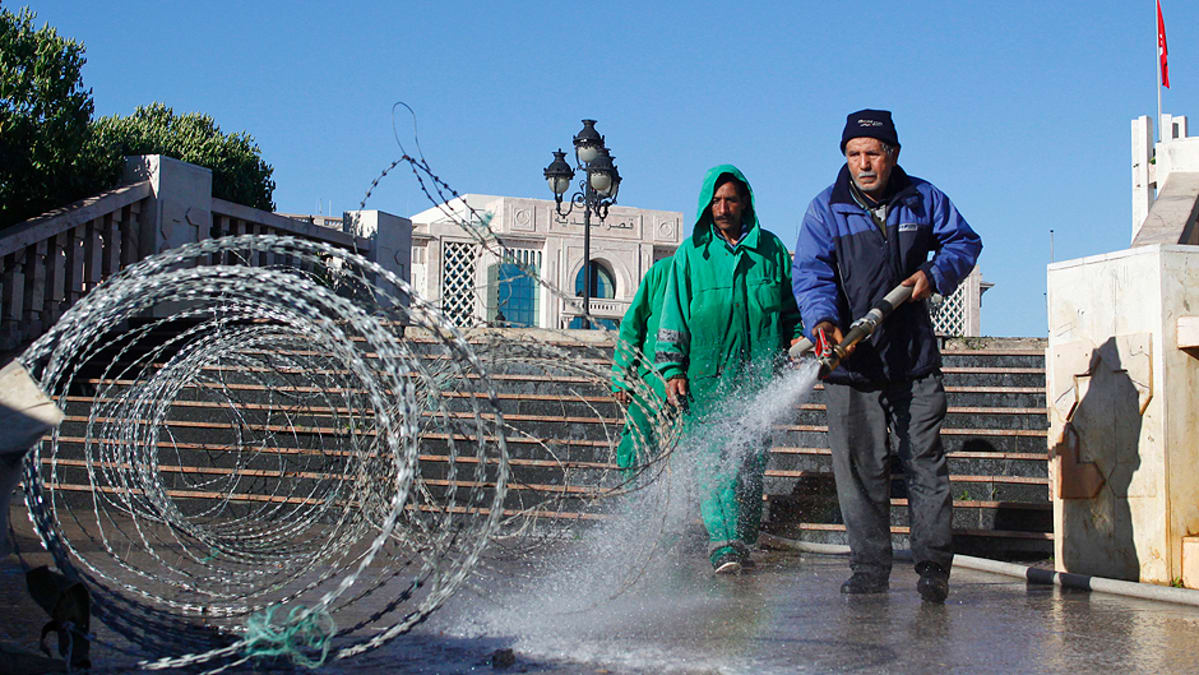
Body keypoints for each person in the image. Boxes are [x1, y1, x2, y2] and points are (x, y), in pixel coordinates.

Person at [792, 109, 982, 603]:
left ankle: (933, 567)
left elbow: (964, 241)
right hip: (851, 365)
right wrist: (823, 320)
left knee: (924, 462)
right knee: (859, 469)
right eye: (854, 154)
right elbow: (811, 273)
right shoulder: (824, 210)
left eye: (872, 153)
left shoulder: (923, 198)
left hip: (913, 359)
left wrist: (935, 276)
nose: (863, 163)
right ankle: (870, 568)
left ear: (893, 153)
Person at [656, 165, 804, 575]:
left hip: (759, 378)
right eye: (716, 201)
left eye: (731, 200)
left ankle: (745, 538)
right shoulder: (690, 255)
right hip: (705, 379)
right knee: (713, 461)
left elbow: (791, 311)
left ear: (745, 204)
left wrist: (797, 338)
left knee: (751, 463)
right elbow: (673, 316)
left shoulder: (770, 250)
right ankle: (723, 544)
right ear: (707, 205)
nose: (723, 208)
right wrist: (672, 368)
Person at [610, 256, 673, 479]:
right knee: (634, 451)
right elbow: (632, 326)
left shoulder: (713, 279)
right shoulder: (663, 271)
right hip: (649, 384)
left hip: (691, 387)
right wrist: (620, 376)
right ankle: (631, 508)